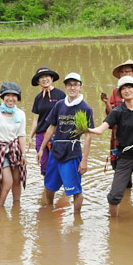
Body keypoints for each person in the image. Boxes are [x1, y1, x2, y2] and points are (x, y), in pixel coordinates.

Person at [89, 76, 133, 218]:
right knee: (115, 195)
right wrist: (86, 129)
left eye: (130, 88)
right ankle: (113, 223)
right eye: (123, 89)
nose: (127, 91)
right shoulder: (117, 112)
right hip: (124, 157)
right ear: (120, 93)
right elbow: (101, 129)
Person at [37, 72, 94, 213]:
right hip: (56, 150)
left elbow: (88, 136)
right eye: (69, 85)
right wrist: (42, 149)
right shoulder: (59, 105)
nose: (72, 88)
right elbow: (51, 128)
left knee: (75, 189)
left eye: (75, 85)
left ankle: (76, 218)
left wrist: (85, 159)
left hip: (72, 152)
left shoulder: (85, 108)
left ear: (80, 87)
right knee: (49, 185)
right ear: (65, 87)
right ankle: (49, 209)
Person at [0, 82, 28, 207]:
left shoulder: (20, 114)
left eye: (14, 96)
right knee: (8, 182)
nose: (10, 99)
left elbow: (21, 135)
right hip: (0, 150)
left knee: (17, 180)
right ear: (3, 97)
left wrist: (24, 154)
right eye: (8, 95)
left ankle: (17, 208)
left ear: (18, 98)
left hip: (15, 149)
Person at [28, 66, 65, 175]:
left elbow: (65, 115)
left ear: (52, 78)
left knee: (59, 163)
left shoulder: (60, 94)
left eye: (47, 76)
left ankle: (62, 190)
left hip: (56, 134)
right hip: (41, 134)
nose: (44, 79)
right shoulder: (38, 98)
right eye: (41, 77)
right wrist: (30, 136)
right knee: (44, 165)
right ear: (38, 81)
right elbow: (36, 119)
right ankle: (47, 190)